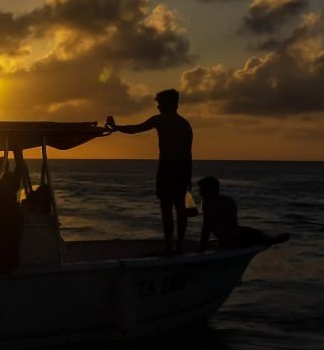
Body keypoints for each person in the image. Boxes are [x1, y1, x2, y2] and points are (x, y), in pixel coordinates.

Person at [106, 88, 193, 255]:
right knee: (179, 208)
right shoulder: (185, 124)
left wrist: (115, 127)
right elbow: (188, 153)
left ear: (170, 103)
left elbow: (136, 129)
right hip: (182, 169)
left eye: (160, 103)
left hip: (167, 168)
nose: (158, 107)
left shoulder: (160, 120)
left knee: (167, 208)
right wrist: (188, 176)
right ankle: (179, 245)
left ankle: (169, 246)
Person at [195, 176, 289, 252]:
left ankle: (270, 239)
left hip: (230, 241)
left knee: (253, 233)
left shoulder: (209, 204)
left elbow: (207, 227)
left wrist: (201, 247)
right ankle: (270, 240)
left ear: (209, 190)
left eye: (202, 190)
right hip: (232, 238)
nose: (200, 194)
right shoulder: (228, 201)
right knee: (254, 233)